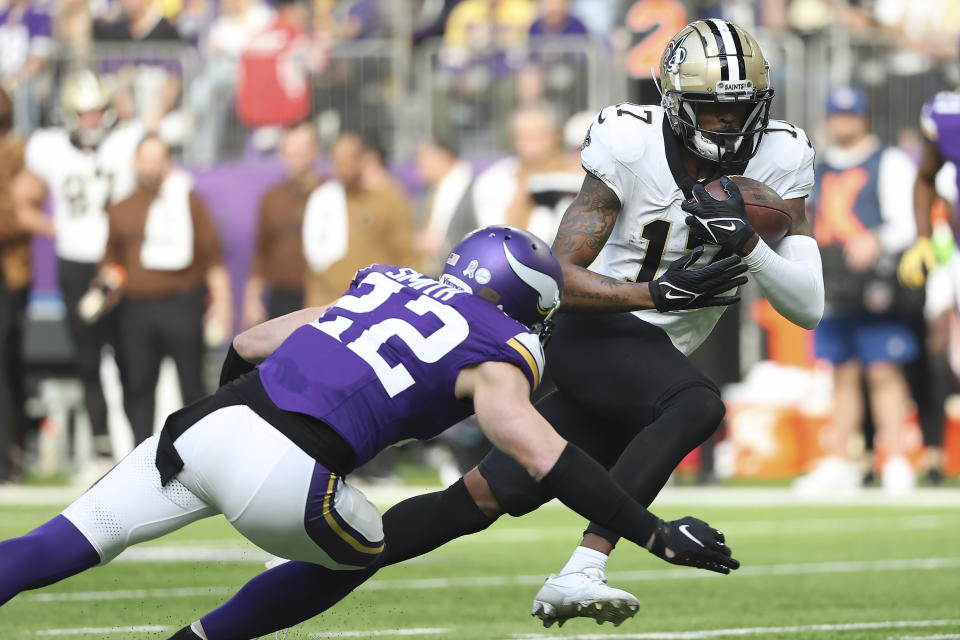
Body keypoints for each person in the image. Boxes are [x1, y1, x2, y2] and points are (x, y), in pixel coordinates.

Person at [0, 226, 744, 640]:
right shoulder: (502, 345)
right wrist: (652, 532)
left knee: (63, 540)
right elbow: (542, 455)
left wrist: (226, 412)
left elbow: (255, 339)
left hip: (209, 424)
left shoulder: (385, 280)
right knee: (368, 551)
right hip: (292, 477)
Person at [373, 19, 824, 628]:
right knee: (696, 405)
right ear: (674, 102)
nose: (731, 124)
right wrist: (652, 291)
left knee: (481, 498)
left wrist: (749, 245)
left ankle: (308, 562)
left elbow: (807, 307)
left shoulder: (783, 154)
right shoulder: (629, 142)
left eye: (742, 109)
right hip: (594, 333)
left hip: (652, 363)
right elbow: (558, 275)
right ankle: (584, 569)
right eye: (713, 111)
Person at [12, 70, 142, 468]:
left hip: (116, 259)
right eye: (83, 113)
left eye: (97, 111)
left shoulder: (124, 143)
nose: (91, 120)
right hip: (75, 261)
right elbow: (22, 200)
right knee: (86, 355)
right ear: (69, 114)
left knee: (128, 352)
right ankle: (102, 441)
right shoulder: (49, 149)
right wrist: (57, 228)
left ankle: (138, 440)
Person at [795, 86, 920, 495]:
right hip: (835, 280)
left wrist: (876, 239)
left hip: (875, 283)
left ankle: (898, 459)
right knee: (842, 372)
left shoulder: (889, 161)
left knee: (884, 370)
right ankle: (839, 460)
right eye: (837, 115)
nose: (843, 122)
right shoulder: (819, 166)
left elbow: (906, 222)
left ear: (863, 117)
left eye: (850, 115)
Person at [90, 135, 232, 445]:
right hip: (136, 308)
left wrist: (222, 304)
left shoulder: (189, 202)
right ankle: (140, 454)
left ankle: (198, 456)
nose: (152, 167)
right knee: (137, 383)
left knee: (192, 384)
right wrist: (100, 293)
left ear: (167, 162)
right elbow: (111, 263)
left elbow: (212, 257)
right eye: (146, 159)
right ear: (135, 162)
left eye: (158, 160)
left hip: (183, 301)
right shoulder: (121, 208)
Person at [898, 87, 960, 481]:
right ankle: (935, 450)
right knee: (937, 352)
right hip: (955, 255)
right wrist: (924, 237)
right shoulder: (948, 116)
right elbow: (925, 176)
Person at [302, 131, 415, 307]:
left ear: (364, 159)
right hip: (328, 304)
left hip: (375, 305)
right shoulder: (326, 197)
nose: (341, 167)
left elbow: (406, 253)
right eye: (337, 160)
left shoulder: (389, 197)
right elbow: (315, 257)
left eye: (347, 160)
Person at [243, 122, 320, 328]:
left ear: (314, 152)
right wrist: (252, 299)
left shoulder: (330, 194)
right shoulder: (272, 199)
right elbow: (262, 251)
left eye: (301, 153)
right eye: (289, 153)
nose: (295, 161)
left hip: (323, 295)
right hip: (282, 297)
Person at [0, 88, 29, 484]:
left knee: (4, 369)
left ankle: (6, 459)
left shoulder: (17, 154)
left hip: (6, 274)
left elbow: (15, 213)